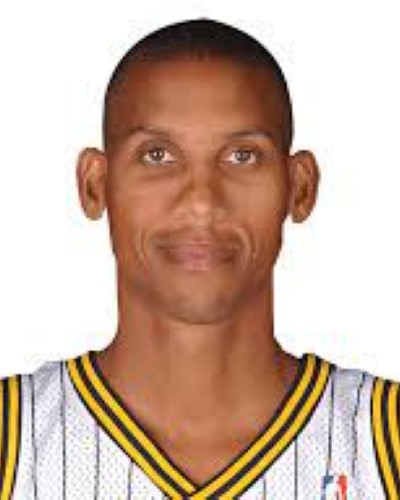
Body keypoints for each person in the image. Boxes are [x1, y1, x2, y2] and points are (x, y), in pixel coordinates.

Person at [0, 17, 399, 500]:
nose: (202, 202)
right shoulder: (13, 441)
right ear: (94, 184)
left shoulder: (382, 441)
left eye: (242, 156)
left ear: (300, 187)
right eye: (157, 155)